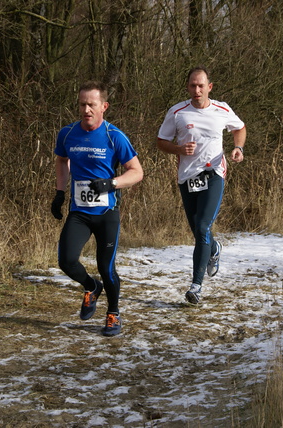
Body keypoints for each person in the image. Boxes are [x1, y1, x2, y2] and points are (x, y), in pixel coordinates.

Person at [50, 80, 143, 336]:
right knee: (66, 261)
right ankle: (91, 287)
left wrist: (112, 183)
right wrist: (60, 193)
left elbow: (137, 172)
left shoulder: (115, 136)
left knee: (106, 266)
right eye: (82, 104)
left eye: (91, 104)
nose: (86, 110)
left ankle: (113, 313)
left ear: (104, 106)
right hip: (79, 212)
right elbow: (61, 160)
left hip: (106, 214)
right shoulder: (68, 133)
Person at [156, 66, 246, 304]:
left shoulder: (222, 109)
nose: (197, 90)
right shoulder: (177, 112)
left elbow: (240, 128)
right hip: (188, 177)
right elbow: (161, 141)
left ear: (209, 87)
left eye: (201, 85)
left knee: (203, 226)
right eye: (192, 86)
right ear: (187, 87)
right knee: (198, 230)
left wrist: (238, 148)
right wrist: (177, 149)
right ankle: (214, 248)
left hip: (214, 172)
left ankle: (196, 286)